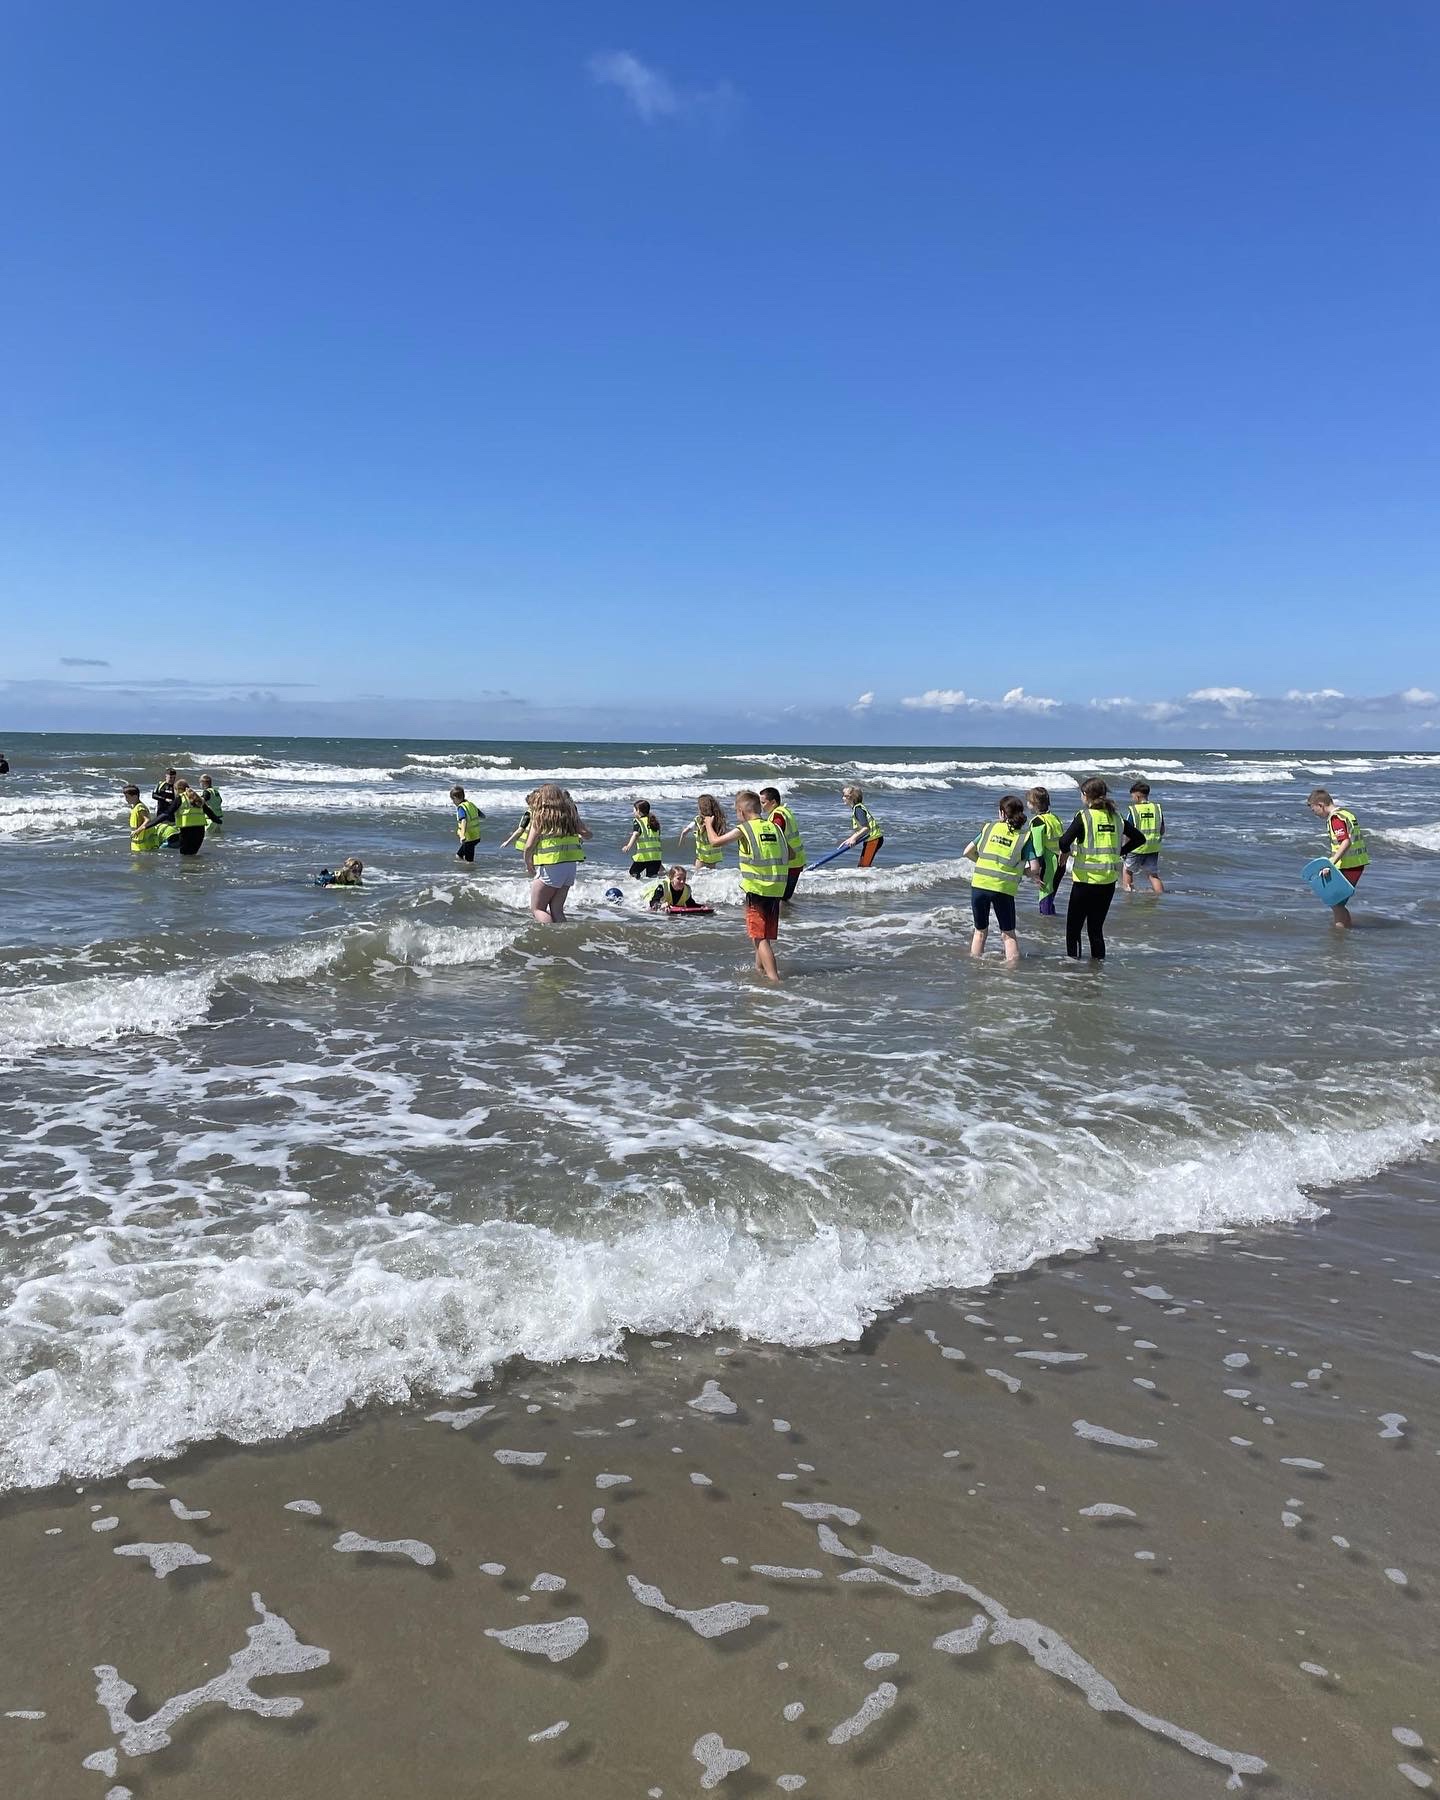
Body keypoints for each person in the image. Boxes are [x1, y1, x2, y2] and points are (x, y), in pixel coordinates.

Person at [704, 789, 789, 982]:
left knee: (759, 938)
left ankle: (774, 980)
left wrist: (709, 824)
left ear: (742, 812)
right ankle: (759, 970)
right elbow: (790, 854)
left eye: (736, 812)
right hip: (776, 889)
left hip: (757, 889)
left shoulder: (745, 829)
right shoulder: (774, 828)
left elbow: (714, 842)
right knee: (763, 934)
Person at [1056, 778, 1142, 960]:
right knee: (1096, 929)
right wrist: (1120, 852)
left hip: (1085, 882)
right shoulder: (1117, 818)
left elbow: (1063, 841)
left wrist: (1065, 854)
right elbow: (1139, 839)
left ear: (1086, 796)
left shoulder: (1085, 817)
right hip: (1108, 882)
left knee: (1074, 929)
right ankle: (1097, 970)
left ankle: (1073, 968)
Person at [963, 795, 1038, 968]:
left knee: (980, 932)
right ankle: (1010, 975)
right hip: (1003, 889)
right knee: (1008, 934)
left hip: (980, 885)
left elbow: (967, 852)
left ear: (1002, 813)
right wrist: (1025, 872)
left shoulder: (989, 828)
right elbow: (1035, 868)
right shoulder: (1024, 837)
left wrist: (982, 862)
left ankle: (975, 970)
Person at [524, 783, 591, 923]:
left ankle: (551, 937)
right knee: (557, 909)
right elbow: (588, 835)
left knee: (537, 909)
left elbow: (529, 845)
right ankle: (563, 936)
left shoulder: (541, 816)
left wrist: (528, 862)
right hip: (570, 867)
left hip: (551, 866)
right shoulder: (570, 815)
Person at [1308, 787, 1369, 930]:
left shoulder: (1335, 819)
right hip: (1356, 863)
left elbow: (1345, 842)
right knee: (1337, 903)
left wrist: (1330, 863)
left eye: (1313, 810)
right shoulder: (1346, 813)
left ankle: (1340, 936)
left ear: (1321, 805)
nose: (1314, 814)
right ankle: (1346, 930)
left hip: (1349, 865)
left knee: (1335, 903)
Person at [759, 786, 807, 901]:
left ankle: (785, 918)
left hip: (789, 863)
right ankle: (787, 917)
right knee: (784, 899)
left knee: (780, 898)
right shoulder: (785, 811)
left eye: (763, 802)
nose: (761, 805)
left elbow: (776, 838)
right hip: (796, 861)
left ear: (773, 802)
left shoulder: (777, 816)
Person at [1026, 786, 1066, 916]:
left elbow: (1038, 849)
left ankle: (1046, 927)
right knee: (1051, 894)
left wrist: (1037, 871)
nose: (1027, 804)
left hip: (1048, 864)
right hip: (1061, 862)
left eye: (1029, 802)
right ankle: (1052, 922)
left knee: (1045, 895)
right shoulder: (1055, 818)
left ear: (1035, 804)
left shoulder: (1037, 821)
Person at [1122, 781, 1165, 894]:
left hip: (1136, 847)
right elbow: (1162, 829)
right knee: (1153, 875)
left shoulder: (1134, 810)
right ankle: (1160, 896)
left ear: (1137, 796)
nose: (1132, 799)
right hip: (1153, 847)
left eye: (1132, 796)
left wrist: (1125, 848)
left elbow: (1128, 833)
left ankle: (1128, 895)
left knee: (1128, 870)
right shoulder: (1157, 809)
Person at [678, 794, 728, 871]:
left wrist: (681, 842)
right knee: (710, 876)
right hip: (714, 857)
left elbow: (685, 832)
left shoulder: (698, 820)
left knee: (698, 876)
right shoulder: (718, 820)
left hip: (702, 857)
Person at [840, 786, 884, 866]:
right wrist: (850, 839)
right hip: (871, 839)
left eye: (845, 796)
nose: (843, 798)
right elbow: (862, 829)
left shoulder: (858, 809)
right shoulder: (857, 809)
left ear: (852, 798)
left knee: (864, 866)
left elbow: (866, 828)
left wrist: (854, 838)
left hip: (873, 839)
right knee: (862, 865)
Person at [622, 800, 664, 878]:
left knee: (633, 872)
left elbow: (636, 834)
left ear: (638, 811)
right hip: (656, 856)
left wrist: (628, 846)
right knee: (652, 877)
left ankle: (637, 887)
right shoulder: (654, 821)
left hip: (644, 856)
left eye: (634, 810)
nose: (633, 812)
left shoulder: (638, 821)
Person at [449, 785, 485, 862]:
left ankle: (470, 872)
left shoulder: (461, 808)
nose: (453, 802)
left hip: (469, 838)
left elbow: (463, 821)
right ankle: (467, 871)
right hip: (476, 836)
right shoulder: (471, 804)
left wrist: (462, 835)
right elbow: (482, 815)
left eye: (453, 800)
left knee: (468, 860)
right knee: (459, 856)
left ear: (456, 798)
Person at [170, 785, 208, 856]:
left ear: (177, 790)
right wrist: (218, 820)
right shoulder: (197, 798)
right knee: (193, 854)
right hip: (200, 831)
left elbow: (167, 813)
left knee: (185, 855)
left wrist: (149, 825)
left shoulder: (180, 798)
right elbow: (209, 812)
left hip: (186, 831)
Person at [123, 785, 160, 853]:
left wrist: (138, 831)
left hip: (144, 843)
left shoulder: (140, 807)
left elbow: (147, 820)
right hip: (138, 842)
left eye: (127, 797)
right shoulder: (135, 807)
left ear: (135, 796)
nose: (126, 799)